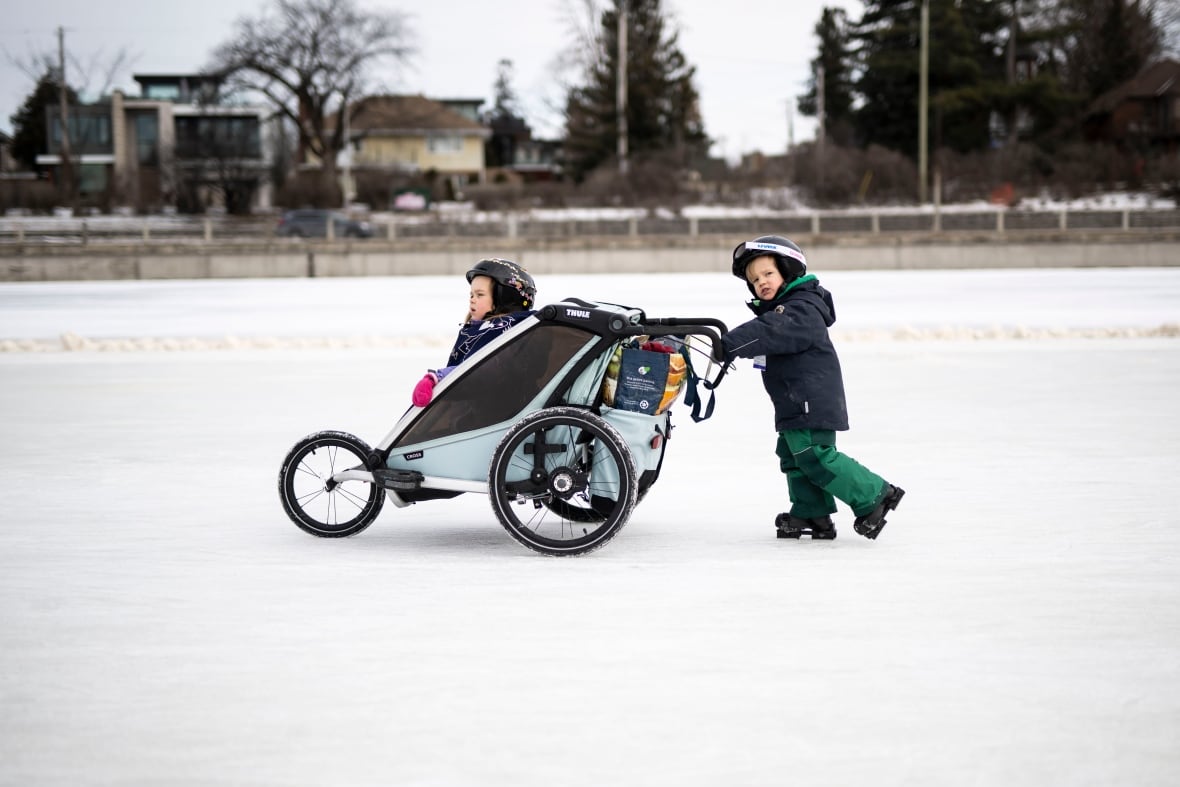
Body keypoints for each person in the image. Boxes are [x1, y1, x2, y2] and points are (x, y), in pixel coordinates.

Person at [721, 235, 904, 540]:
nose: (761, 282)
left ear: (788, 271)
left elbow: (770, 332)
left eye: (768, 273)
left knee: (814, 455)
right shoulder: (782, 311)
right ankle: (811, 513)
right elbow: (767, 337)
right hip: (794, 402)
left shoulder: (801, 308)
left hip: (810, 398)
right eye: (754, 280)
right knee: (794, 456)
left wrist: (727, 345)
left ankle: (875, 494)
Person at [411, 258, 537, 406]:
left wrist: (435, 378)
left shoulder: (500, 332)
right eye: (471, 295)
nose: (472, 300)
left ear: (504, 299)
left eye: (480, 295)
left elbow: (475, 370)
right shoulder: (480, 329)